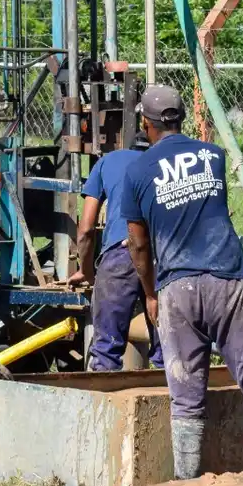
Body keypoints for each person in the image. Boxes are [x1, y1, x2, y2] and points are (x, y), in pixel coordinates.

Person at [119, 85, 243, 480]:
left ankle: (187, 485)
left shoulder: (137, 171)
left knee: (185, 394)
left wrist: (150, 293)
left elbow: (138, 243)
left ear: (146, 123)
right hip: (230, 281)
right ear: (181, 118)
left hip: (178, 288)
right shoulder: (213, 156)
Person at [69, 132, 164, 371]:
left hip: (120, 254)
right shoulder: (166, 161)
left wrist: (86, 270)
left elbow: (86, 229)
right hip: (162, 253)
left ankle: (105, 387)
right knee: (169, 349)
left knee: (106, 352)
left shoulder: (108, 161)